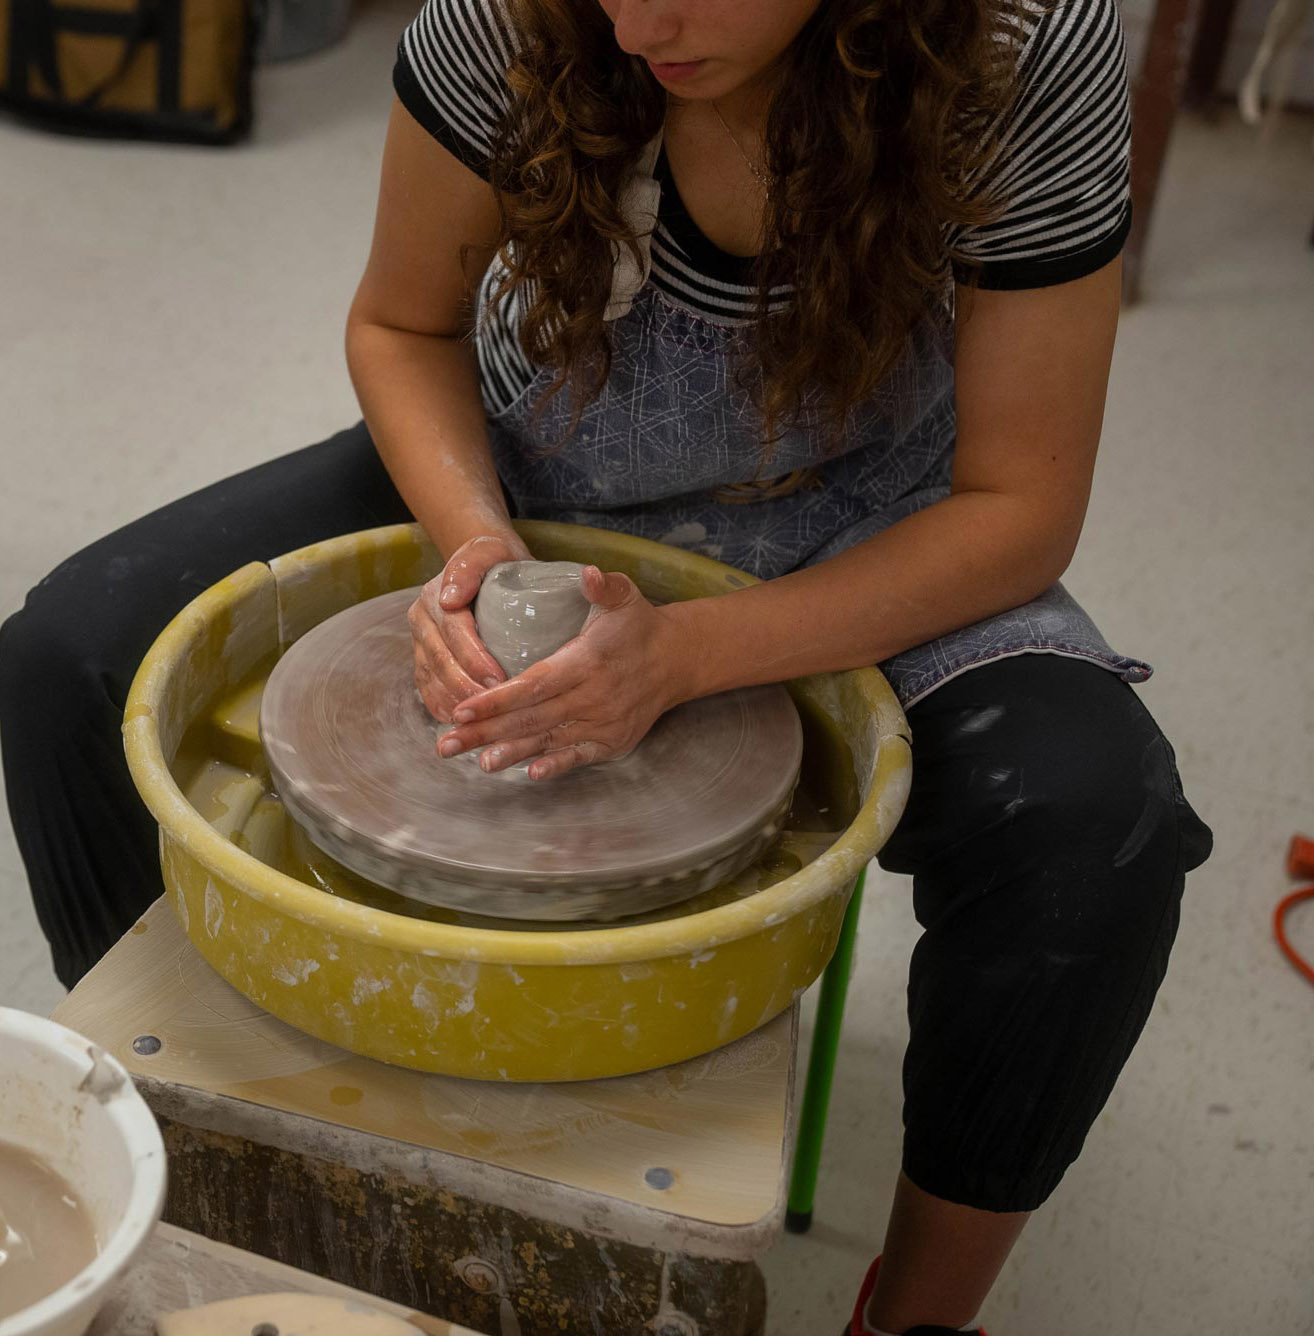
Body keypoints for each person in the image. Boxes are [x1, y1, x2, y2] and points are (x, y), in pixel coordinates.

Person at [0, 0, 1213, 1330]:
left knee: (1096, 833)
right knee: (63, 659)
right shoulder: (513, 19)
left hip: (868, 507)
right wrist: (475, 555)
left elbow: (1018, 503)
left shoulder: (1014, 44)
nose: (643, 23)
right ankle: (184, 1149)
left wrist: (687, 653)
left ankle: (912, 1314)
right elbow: (404, 329)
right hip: (543, 461)